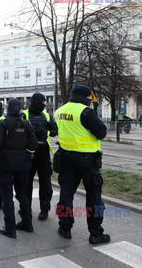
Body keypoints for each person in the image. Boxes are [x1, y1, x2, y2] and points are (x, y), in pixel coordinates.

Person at [54, 84, 110, 244]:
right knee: (94, 197)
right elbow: (101, 132)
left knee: (66, 194)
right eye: (89, 98)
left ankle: (64, 228)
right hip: (87, 160)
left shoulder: (59, 111)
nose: (90, 101)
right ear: (85, 98)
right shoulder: (85, 112)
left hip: (66, 158)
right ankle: (96, 233)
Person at [0, 98, 38, 238]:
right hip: (22, 165)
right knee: (22, 193)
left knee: (7, 196)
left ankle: (10, 228)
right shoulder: (26, 124)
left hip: (5, 164)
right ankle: (27, 223)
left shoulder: (3, 123)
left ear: (8, 108)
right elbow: (33, 145)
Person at [22, 93, 58, 221]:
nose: (45, 105)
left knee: (46, 183)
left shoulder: (46, 115)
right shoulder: (24, 114)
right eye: (43, 102)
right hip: (28, 153)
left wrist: (53, 128)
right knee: (26, 183)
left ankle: (44, 209)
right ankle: (26, 208)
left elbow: (54, 132)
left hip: (43, 153)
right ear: (37, 102)